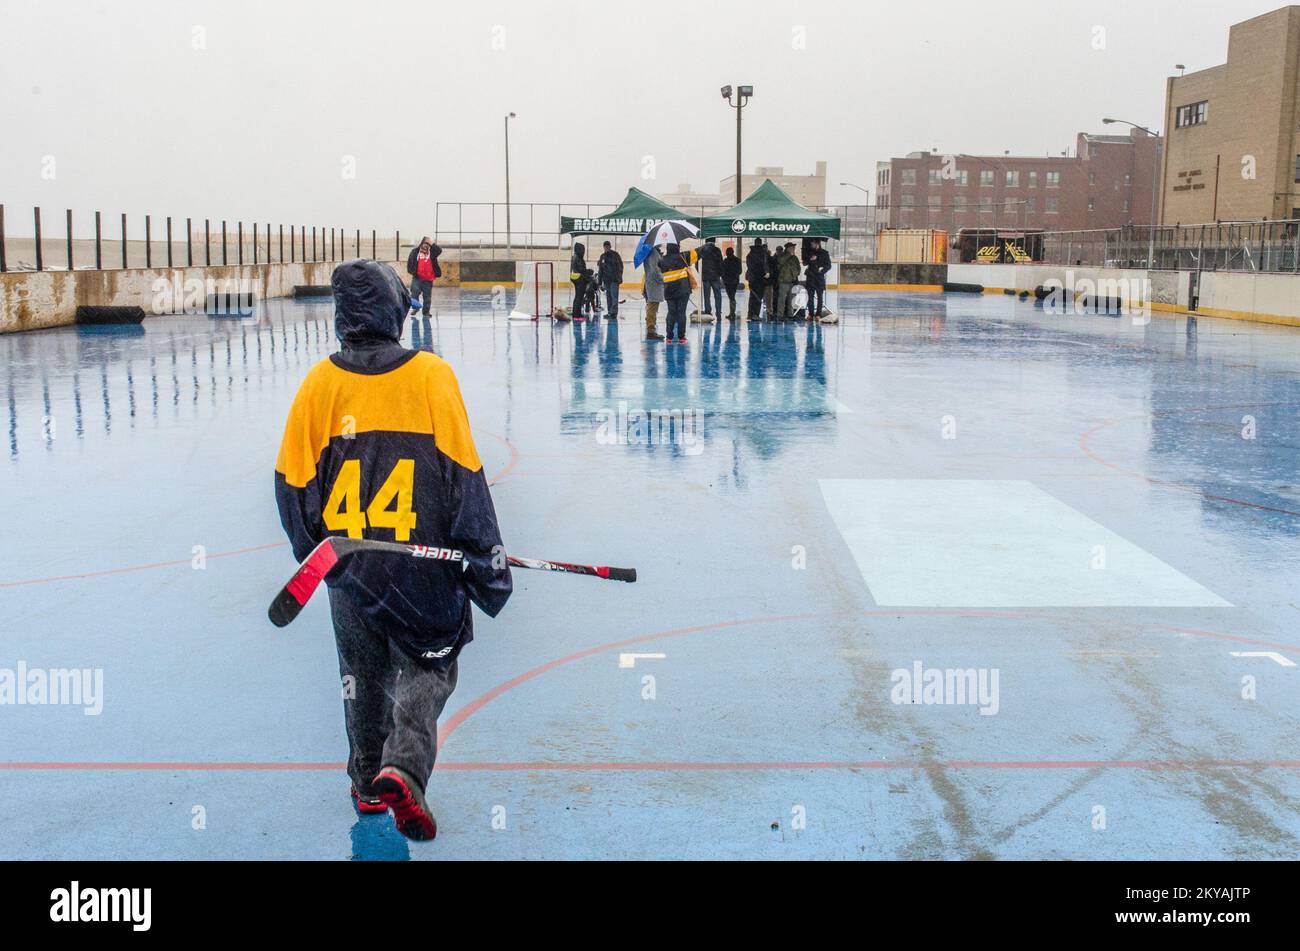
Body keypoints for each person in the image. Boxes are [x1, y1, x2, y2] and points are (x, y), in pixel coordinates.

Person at [275, 259, 512, 841]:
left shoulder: (319, 384)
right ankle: (403, 767)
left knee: (360, 674)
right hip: (419, 567)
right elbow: (463, 475)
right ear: (395, 310)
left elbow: (291, 484)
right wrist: (487, 564)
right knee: (431, 659)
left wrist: (319, 556)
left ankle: (364, 785)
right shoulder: (431, 376)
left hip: (350, 568)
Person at [658, 242, 699, 344]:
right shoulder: (684, 256)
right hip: (683, 290)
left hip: (669, 290)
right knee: (681, 312)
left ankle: (669, 337)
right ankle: (681, 338)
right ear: (677, 247)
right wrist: (710, 245)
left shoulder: (662, 260)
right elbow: (699, 252)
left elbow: (659, 272)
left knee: (671, 312)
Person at [405, 236, 442, 317]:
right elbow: (410, 262)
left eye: (428, 244)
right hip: (417, 278)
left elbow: (439, 250)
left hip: (428, 279)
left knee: (427, 297)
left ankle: (426, 313)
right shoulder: (415, 252)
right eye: (424, 243)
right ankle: (416, 308)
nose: (425, 245)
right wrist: (412, 272)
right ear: (421, 243)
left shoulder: (432, 253)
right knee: (414, 294)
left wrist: (432, 243)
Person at [696, 237, 724, 321]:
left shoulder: (702, 250)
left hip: (705, 276)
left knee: (706, 295)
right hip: (715, 277)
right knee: (718, 295)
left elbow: (696, 261)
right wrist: (720, 274)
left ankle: (708, 311)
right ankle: (718, 313)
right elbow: (720, 263)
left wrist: (699, 273)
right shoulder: (717, 250)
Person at [804, 238, 832, 319]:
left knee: (820, 297)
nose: (811, 245)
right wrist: (810, 259)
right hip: (810, 277)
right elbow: (804, 263)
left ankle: (818, 314)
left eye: (812, 243)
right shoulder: (809, 252)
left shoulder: (824, 253)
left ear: (817, 244)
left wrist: (822, 270)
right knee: (810, 297)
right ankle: (811, 314)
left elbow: (829, 265)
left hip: (819, 278)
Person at [642, 245, 665, 341]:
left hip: (652, 283)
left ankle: (652, 329)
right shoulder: (653, 253)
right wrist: (662, 278)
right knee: (652, 306)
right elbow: (655, 269)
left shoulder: (653, 252)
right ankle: (651, 331)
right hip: (654, 283)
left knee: (653, 306)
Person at [597, 241, 624, 320]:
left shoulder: (615, 255)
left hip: (614, 280)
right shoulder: (602, 256)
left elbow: (620, 267)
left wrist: (618, 278)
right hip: (606, 281)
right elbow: (600, 270)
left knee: (614, 297)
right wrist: (599, 282)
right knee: (608, 297)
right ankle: (610, 312)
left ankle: (613, 313)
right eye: (605, 246)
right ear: (603, 247)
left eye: (607, 246)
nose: (606, 248)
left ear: (610, 246)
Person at [569, 242, 594, 321]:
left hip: (576, 278)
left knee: (577, 297)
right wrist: (589, 272)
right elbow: (581, 270)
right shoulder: (578, 258)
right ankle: (577, 315)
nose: (583, 251)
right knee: (579, 297)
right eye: (583, 250)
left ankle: (576, 314)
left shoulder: (574, 257)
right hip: (580, 279)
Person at [777, 242, 802, 319]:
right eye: (792, 248)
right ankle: (780, 315)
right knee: (782, 299)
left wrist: (795, 274)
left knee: (791, 300)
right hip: (783, 281)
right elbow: (780, 261)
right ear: (788, 248)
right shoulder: (781, 255)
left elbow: (798, 268)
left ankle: (790, 315)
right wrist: (788, 255)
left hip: (792, 281)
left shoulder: (795, 258)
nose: (794, 249)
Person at [745, 239, 768, 319]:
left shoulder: (750, 254)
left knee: (752, 296)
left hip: (752, 278)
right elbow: (764, 265)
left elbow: (750, 266)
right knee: (758, 296)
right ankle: (756, 314)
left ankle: (750, 314)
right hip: (760, 278)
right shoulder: (763, 254)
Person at [722, 245, 742, 320]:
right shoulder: (738, 260)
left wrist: (724, 278)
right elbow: (740, 271)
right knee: (732, 297)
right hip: (734, 281)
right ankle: (732, 313)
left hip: (728, 282)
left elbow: (722, 272)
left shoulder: (725, 261)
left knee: (731, 297)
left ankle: (732, 313)